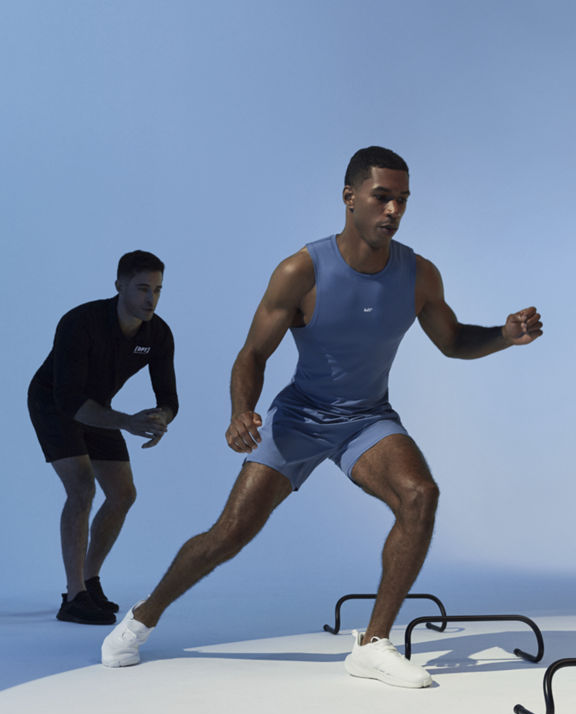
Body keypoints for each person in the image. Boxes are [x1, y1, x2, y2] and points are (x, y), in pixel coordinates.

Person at [102, 149, 542, 686]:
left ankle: (373, 645)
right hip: (300, 417)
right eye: (383, 197)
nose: (394, 210)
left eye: (402, 200)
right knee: (229, 534)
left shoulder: (419, 274)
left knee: (420, 495)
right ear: (349, 197)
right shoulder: (301, 271)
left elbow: (451, 342)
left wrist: (504, 335)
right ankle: (144, 615)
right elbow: (252, 355)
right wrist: (242, 411)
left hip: (367, 420)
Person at [28, 250, 179, 625]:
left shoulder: (157, 334)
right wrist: (126, 422)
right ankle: (74, 596)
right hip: (54, 404)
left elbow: (169, 398)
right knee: (81, 488)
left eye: (157, 290)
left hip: (98, 407)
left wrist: (162, 417)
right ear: (119, 287)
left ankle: (90, 580)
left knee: (123, 494)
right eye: (142, 288)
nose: (150, 299)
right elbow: (70, 401)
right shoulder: (81, 322)